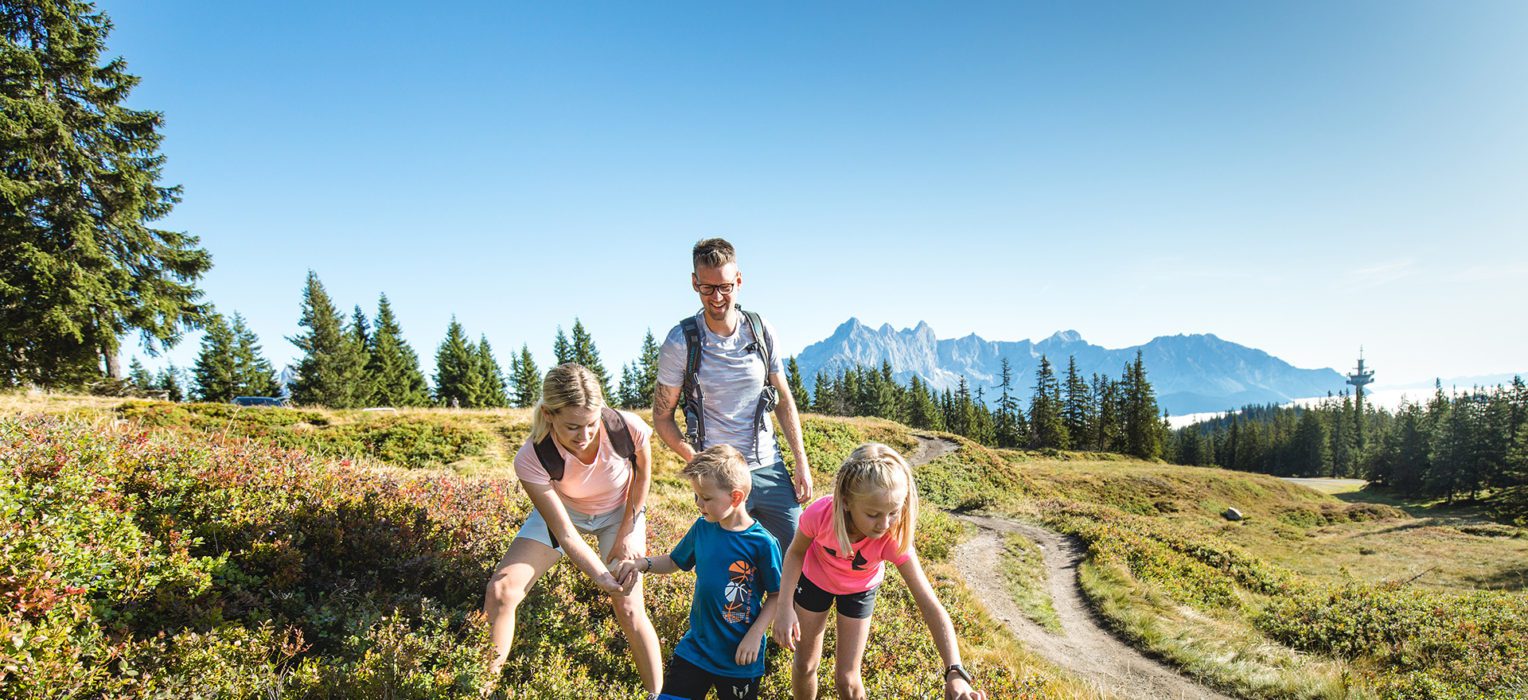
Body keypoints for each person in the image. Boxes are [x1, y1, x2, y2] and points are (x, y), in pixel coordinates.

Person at [483, 363, 662, 696]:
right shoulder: (531, 457)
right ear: (549, 414)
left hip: (621, 512)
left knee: (628, 604)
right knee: (501, 591)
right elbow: (564, 533)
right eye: (572, 427)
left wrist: (626, 533)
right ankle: (481, 688)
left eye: (592, 424)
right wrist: (599, 575)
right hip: (566, 513)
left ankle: (657, 694)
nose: (584, 436)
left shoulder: (628, 428)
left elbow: (642, 479)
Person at [772, 443, 987, 700]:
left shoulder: (893, 538)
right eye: (873, 514)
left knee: (847, 678)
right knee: (805, 665)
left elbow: (930, 605)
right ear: (847, 501)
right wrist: (784, 607)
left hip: (859, 590)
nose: (884, 524)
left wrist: (955, 671)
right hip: (815, 581)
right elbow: (795, 553)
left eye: (893, 512)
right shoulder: (820, 514)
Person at [653, 237, 813, 552]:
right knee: (732, 576)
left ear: (738, 280)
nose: (716, 297)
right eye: (707, 288)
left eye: (725, 286)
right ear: (694, 283)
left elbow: (782, 398)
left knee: (797, 561)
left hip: (769, 467)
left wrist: (800, 460)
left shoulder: (760, 329)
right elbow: (661, 416)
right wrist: (696, 460)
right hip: (719, 479)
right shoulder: (680, 342)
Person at [612, 445, 782, 700]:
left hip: (739, 657)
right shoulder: (703, 527)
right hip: (696, 649)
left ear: (735, 497)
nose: (698, 504)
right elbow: (673, 561)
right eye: (696, 496)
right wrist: (641, 564)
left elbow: (777, 594)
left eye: (706, 498)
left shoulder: (763, 543)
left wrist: (755, 636)